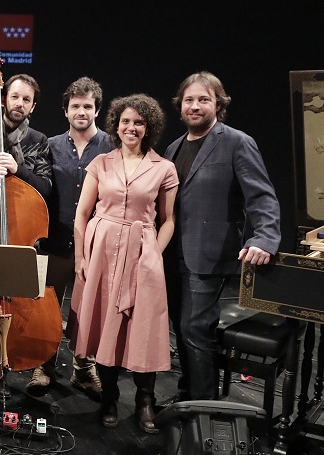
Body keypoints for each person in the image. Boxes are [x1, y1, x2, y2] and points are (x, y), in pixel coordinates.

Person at [163, 72, 280, 402]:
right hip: (172, 256)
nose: (195, 106)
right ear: (180, 105)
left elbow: (262, 196)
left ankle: (202, 408)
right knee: (183, 331)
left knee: (194, 330)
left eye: (203, 99)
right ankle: (189, 395)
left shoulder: (237, 142)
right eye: (189, 100)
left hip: (209, 257)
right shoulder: (173, 148)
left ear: (218, 104)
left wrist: (264, 238)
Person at [69, 94, 178, 433]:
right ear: (116, 125)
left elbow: (169, 219)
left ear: (149, 128)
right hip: (101, 251)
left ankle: (145, 400)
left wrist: (153, 254)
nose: (132, 127)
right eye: (126, 121)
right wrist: (81, 258)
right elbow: (82, 214)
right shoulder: (101, 163)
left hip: (142, 251)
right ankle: (110, 396)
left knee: (144, 327)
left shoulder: (164, 168)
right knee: (106, 326)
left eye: (139, 122)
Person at [0, 72, 54, 394]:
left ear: (33, 107)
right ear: (3, 98)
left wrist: (20, 170)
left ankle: (16, 362)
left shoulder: (38, 141)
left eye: (26, 99)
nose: (19, 103)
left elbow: (46, 188)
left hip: (19, 238)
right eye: (15, 96)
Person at [47, 77, 113, 396]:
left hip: (95, 244)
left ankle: (84, 370)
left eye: (88, 106)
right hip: (57, 240)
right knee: (47, 306)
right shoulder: (51, 145)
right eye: (76, 106)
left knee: (88, 311)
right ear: (66, 111)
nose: (81, 111)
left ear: (96, 110)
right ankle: (42, 366)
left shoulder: (112, 147)